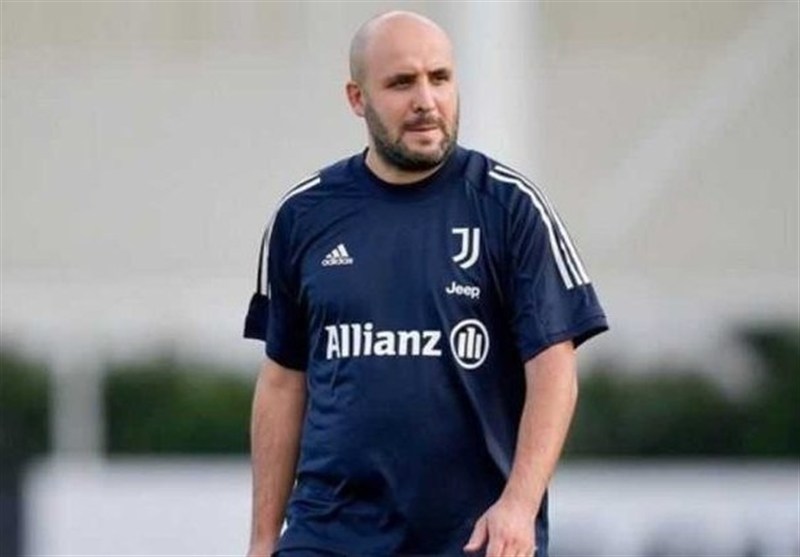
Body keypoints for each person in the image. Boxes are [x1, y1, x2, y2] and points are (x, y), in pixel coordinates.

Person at [243, 10, 608, 557]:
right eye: (401, 83)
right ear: (357, 98)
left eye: (439, 78)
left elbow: (555, 370)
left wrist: (518, 504)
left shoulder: (510, 207)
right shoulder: (303, 215)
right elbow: (282, 382)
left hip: (472, 538)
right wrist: (262, 540)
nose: (425, 100)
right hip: (328, 535)